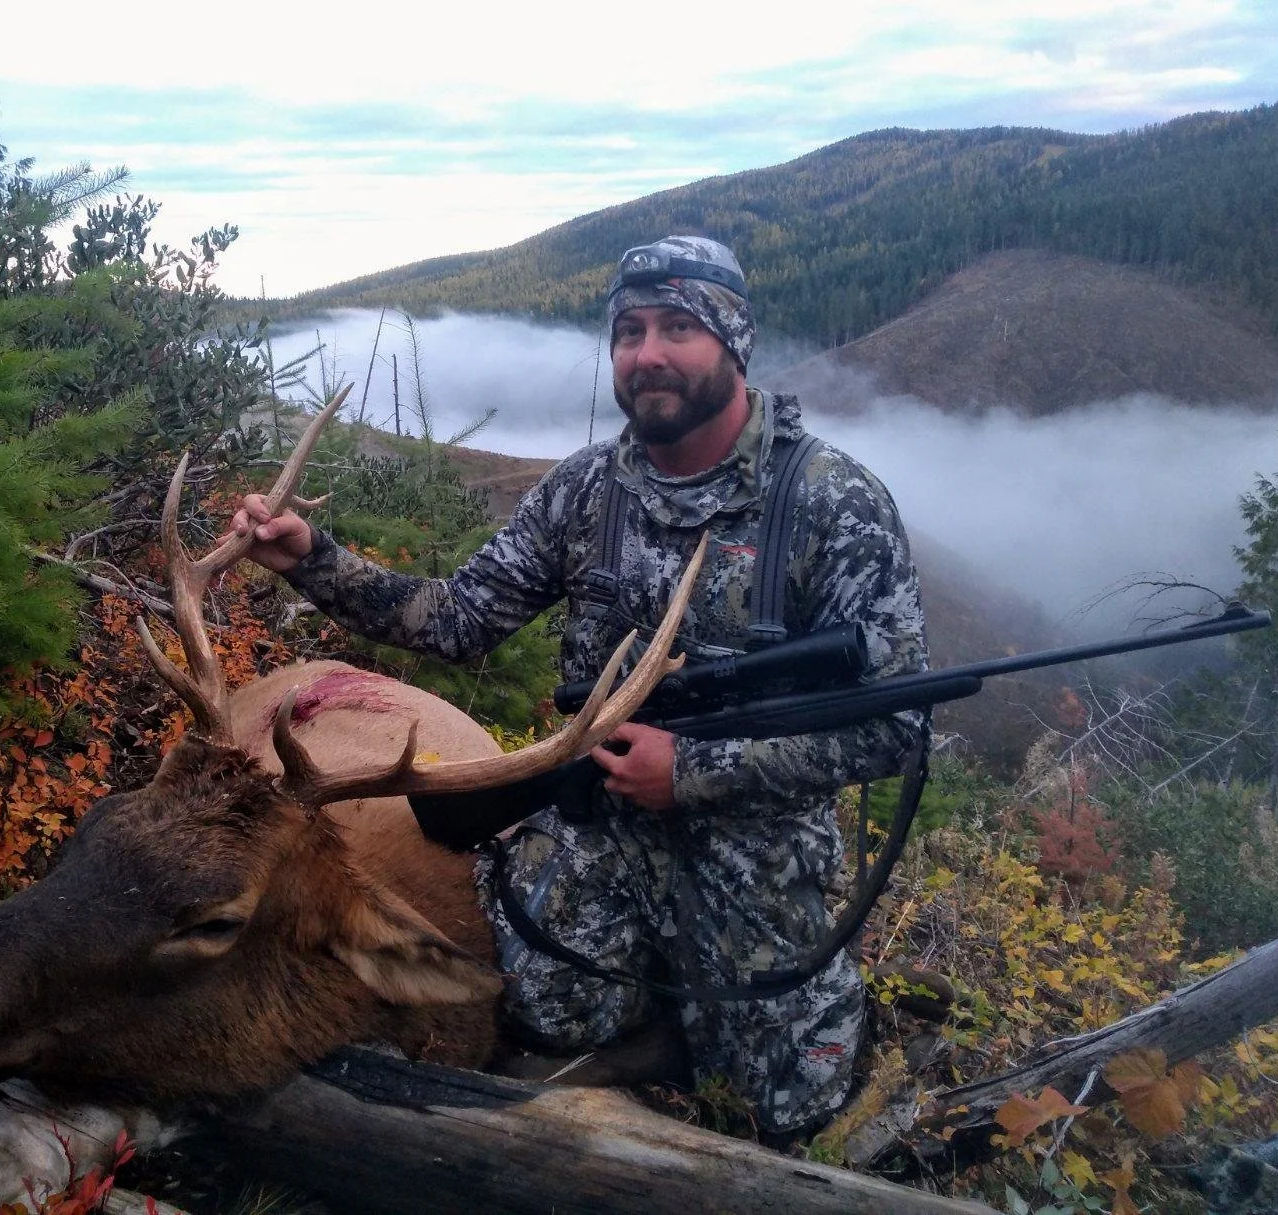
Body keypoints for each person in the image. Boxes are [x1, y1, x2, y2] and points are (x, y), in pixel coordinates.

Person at [229, 235, 928, 1135]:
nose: (649, 354)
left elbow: (896, 729)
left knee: (791, 1108)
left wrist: (693, 771)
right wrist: (312, 560)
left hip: (755, 840)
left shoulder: (833, 503)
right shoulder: (584, 492)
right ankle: (657, 1022)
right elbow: (455, 619)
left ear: (734, 342)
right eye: (629, 331)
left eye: (679, 326)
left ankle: (750, 1020)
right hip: (596, 824)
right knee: (541, 1024)